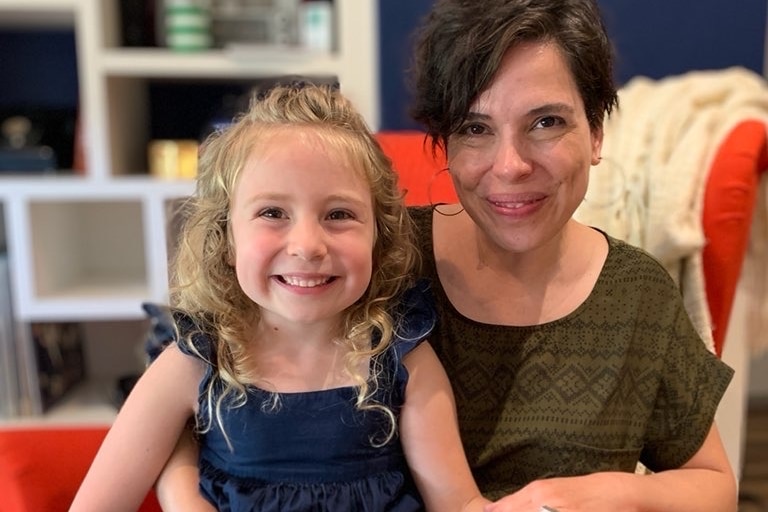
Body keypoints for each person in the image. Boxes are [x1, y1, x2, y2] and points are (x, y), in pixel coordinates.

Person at [155, 0, 738, 511]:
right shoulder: (369, 261)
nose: (510, 165)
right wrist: (183, 494)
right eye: (475, 128)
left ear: (596, 133)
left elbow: (713, 484)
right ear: (444, 144)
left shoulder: (636, 293)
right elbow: (206, 381)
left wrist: (614, 494)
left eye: (547, 122)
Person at [69, 82, 489, 512]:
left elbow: (459, 504)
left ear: (379, 238)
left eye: (339, 214)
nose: (307, 245)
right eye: (272, 213)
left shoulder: (402, 357)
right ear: (225, 238)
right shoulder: (195, 360)